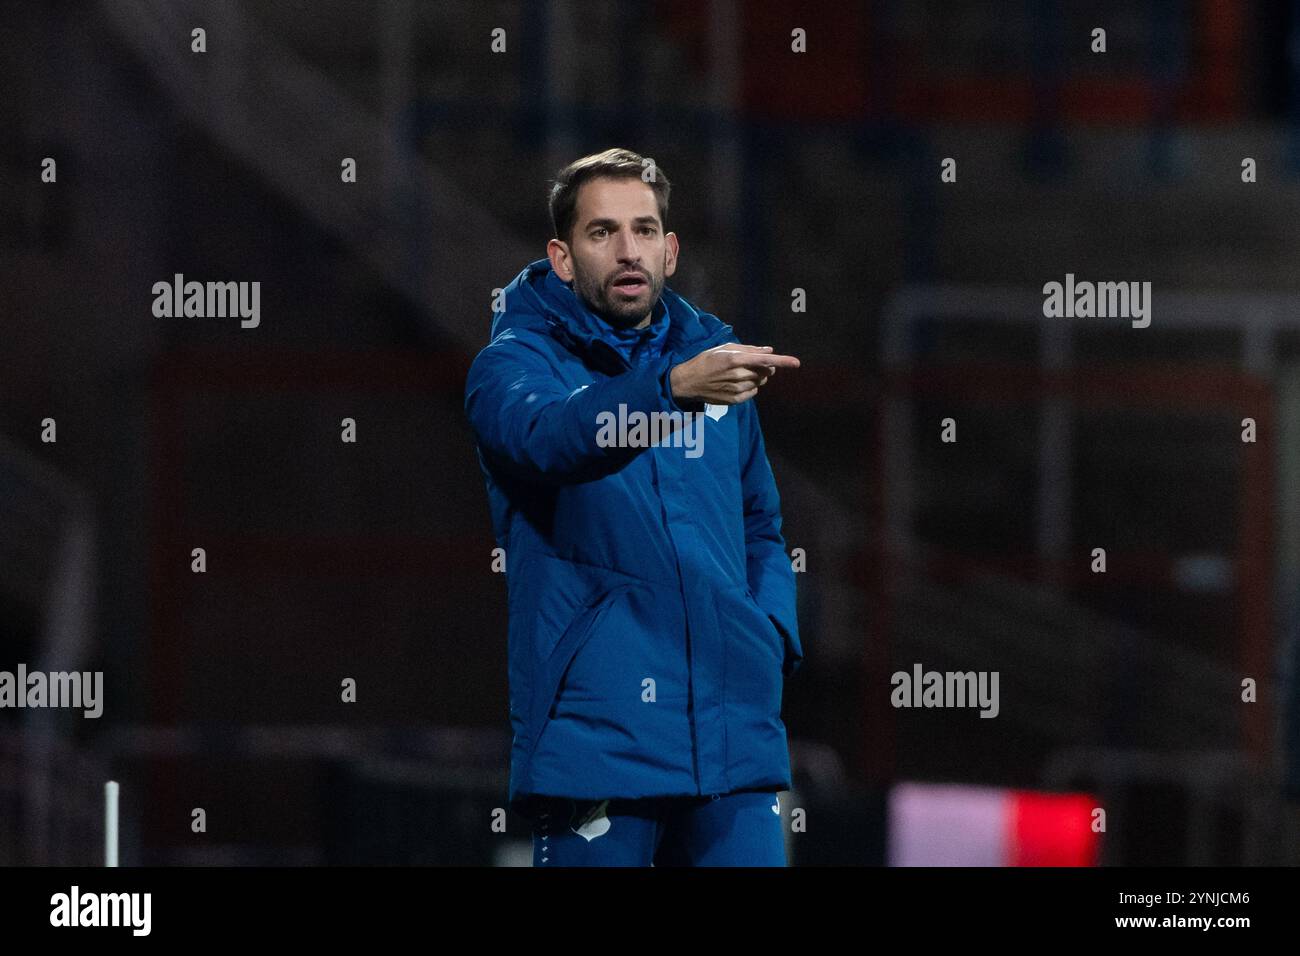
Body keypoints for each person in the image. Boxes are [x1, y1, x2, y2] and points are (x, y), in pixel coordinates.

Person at [464, 147, 803, 865]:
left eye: (645, 230)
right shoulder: (512, 366)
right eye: (602, 232)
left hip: (733, 725)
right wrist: (670, 389)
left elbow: (760, 525)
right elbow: (556, 439)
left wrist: (767, 633)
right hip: (599, 737)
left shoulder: (712, 361)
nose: (628, 250)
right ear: (561, 257)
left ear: (671, 251)